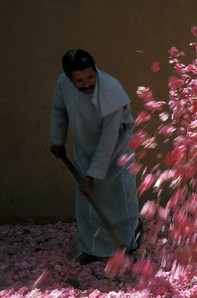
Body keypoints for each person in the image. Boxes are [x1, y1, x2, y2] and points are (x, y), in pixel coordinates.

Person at [50, 49, 141, 264]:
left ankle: (127, 245)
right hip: (84, 145)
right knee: (87, 201)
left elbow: (108, 139)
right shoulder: (63, 83)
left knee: (118, 198)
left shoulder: (112, 92)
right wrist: (57, 139)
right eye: (79, 80)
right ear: (69, 78)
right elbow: (58, 110)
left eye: (90, 77)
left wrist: (93, 175)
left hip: (117, 148)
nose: (86, 84)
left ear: (96, 71)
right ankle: (89, 248)